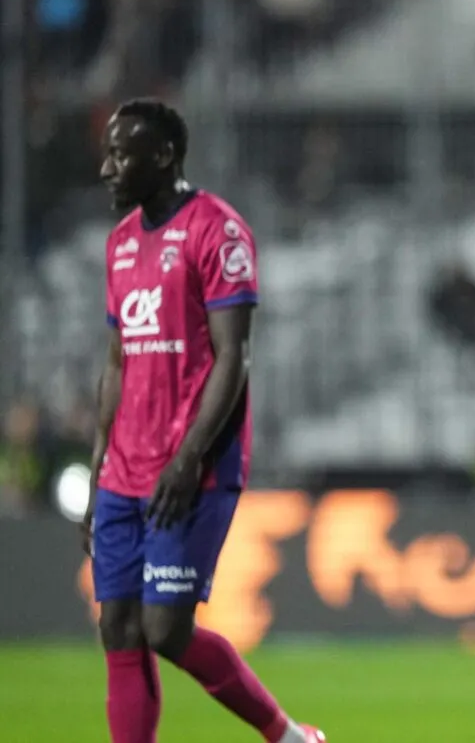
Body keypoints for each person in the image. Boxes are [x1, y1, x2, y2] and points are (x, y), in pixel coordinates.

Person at [85, 98, 324, 743]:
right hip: (123, 471)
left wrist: (189, 457)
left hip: (191, 467)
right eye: (108, 155)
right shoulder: (119, 243)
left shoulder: (217, 231)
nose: (107, 169)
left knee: (165, 628)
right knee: (117, 628)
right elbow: (117, 362)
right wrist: (98, 466)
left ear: (163, 156)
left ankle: (289, 737)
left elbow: (233, 357)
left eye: (121, 155)